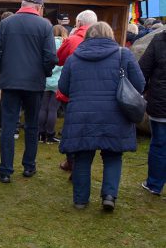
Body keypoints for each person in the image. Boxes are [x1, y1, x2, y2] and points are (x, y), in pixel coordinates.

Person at [59, 22, 145, 211]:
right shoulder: (124, 55)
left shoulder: (74, 59)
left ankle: (81, 200)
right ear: (110, 35)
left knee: (82, 156)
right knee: (113, 156)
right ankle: (109, 196)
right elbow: (139, 84)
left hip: (82, 115)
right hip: (116, 114)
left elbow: (63, 88)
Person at [0, 0, 57, 183]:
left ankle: (5, 170)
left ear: (23, 5)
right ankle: (29, 166)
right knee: (32, 125)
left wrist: (3, 68)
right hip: (34, 84)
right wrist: (44, 72)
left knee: (8, 126)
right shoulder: (45, 25)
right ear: (39, 8)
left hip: (10, 82)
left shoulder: (7, 23)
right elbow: (51, 56)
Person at [56, 9, 98, 173]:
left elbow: (58, 59)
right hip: (96, 94)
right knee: (89, 129)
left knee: (71, 128)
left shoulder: (72, 40)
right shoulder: (107, 41)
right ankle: (82, 165)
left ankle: (71, 162)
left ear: (79, 23)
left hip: (72, 93)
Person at [138, 30, 166, 196]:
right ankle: (154, 183)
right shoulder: (158, 39)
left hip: (160, 102)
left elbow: (143, 70)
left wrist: (144, 91)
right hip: (160, 102)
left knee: (159, 144)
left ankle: (155, 184)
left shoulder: (159, 40)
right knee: (159, 143)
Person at [38, 25, 67, 144]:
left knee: (43, 107)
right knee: (53, 109)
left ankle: (40, 134)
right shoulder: (65, 44)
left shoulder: (47, 43)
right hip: (58, 81)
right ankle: (50, 135)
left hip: (46, 78)